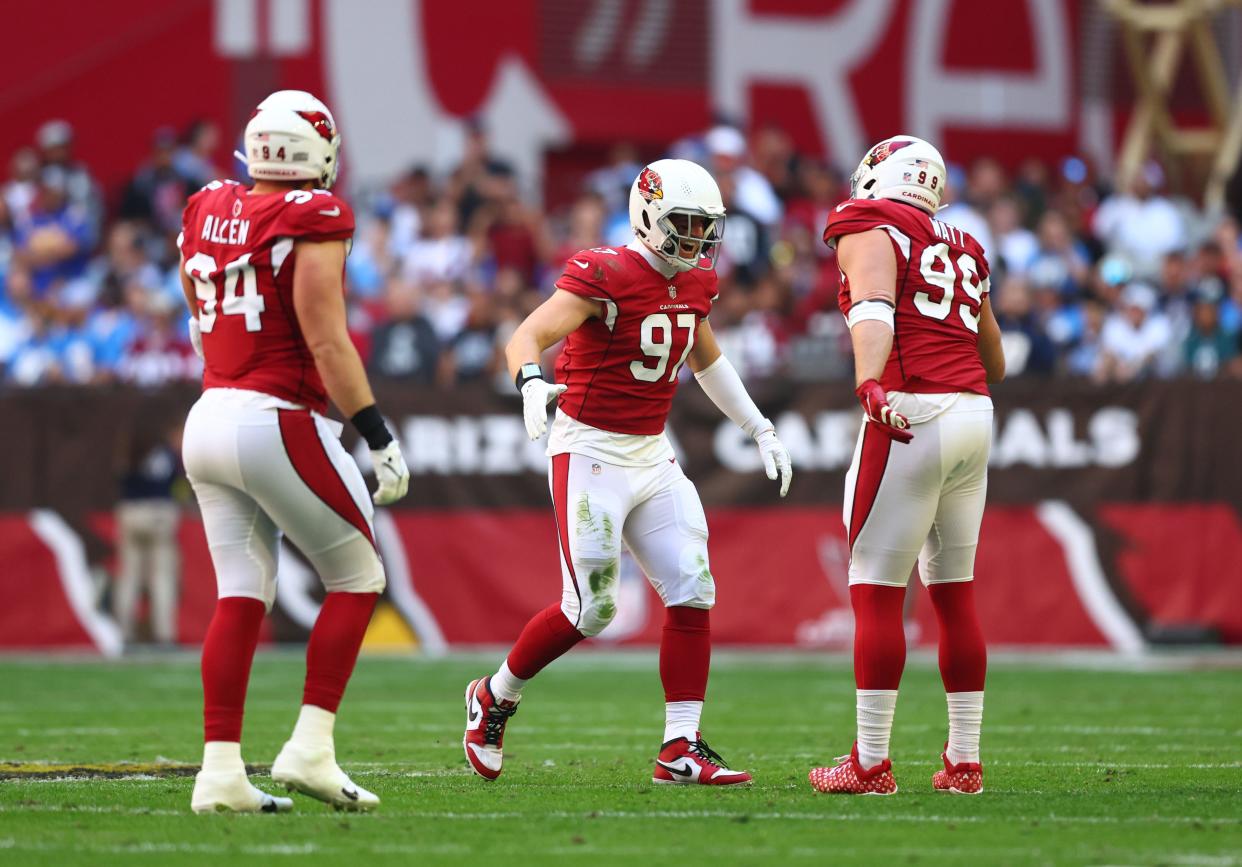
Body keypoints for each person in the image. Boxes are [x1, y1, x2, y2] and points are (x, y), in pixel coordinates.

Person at [462, 159, 792, 787]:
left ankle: (680, 747)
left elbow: (707, 359)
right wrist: (531, 383)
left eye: (704, 227)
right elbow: (525, 336)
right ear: (648, 215)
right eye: (685, 224)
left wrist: (758, 426)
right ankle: (495, 695)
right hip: (589, 449)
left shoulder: (695, 282)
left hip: (651, 451)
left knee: (693, 585)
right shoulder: (606, 271)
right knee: (590, 610)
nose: (696, 239)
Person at [177, 90, 410, 814]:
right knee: (358, 573)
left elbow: (195, 305)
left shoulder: (206, 204)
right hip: (274, 416)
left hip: (207, 413)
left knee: (242, 592)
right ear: (320, 154)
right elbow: (326, 337)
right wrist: (375, 431)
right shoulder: (314, 215)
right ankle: (309, 747)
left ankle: (219, 773)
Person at [808, 136, 1004, 796]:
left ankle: (869, 762)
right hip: (974, 412)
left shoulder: (868, 223)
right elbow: (996, 360)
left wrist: (869, 383)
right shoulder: (966, 244)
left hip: (910, 409)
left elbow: (872, 309)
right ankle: (966, 760)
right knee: (955, 593)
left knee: (875, 587)